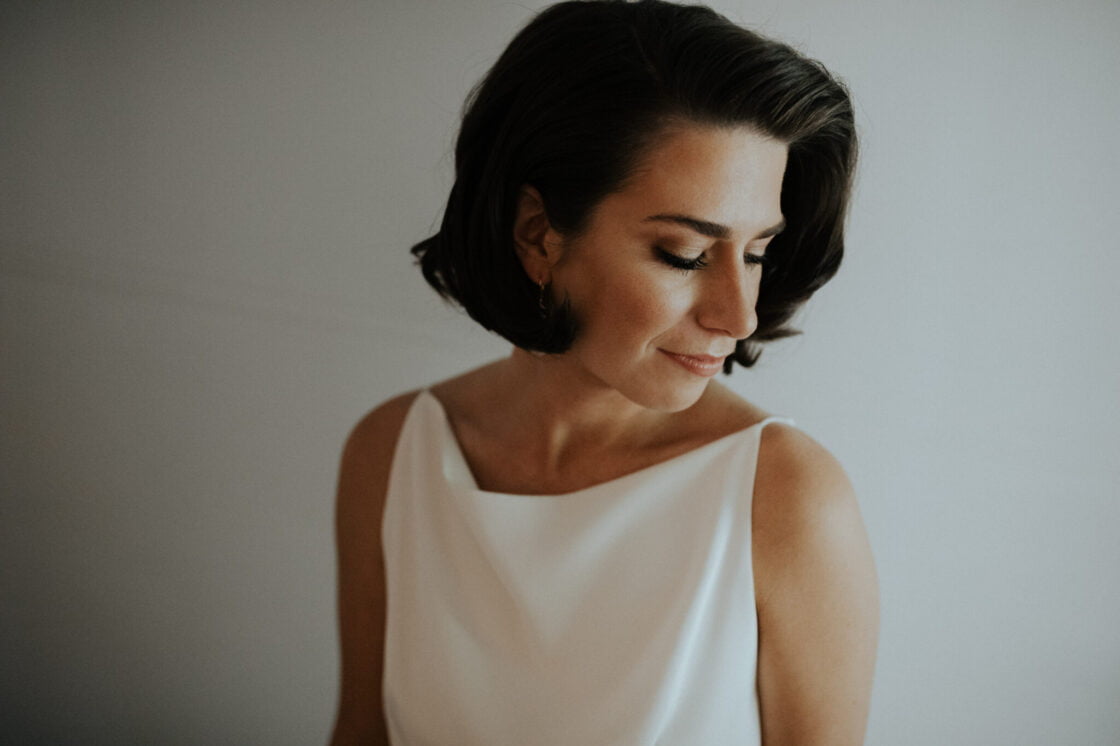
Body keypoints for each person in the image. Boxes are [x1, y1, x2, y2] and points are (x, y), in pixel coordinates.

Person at [330, 1, 878, 743]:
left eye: (757, 254)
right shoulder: (394, 454)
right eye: (686, 254)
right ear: (538, 235)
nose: (740, 316)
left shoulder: (785, 498)